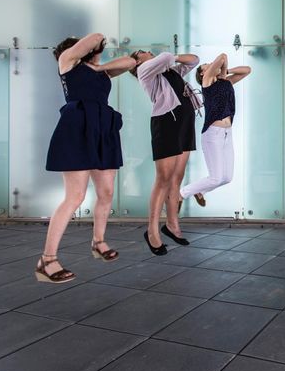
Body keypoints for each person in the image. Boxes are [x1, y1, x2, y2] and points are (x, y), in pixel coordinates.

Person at [37, 33, 136, 283]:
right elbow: (97, 36)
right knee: (75, 197)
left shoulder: (101, 71)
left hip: (103, 128)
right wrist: (88, 55)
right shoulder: (67, 61)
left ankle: (98, 242)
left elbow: (130, 62)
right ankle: (46, 260)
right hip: (78, 127)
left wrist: (99, 67)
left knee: (107, 193)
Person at [130, 49, 201, 254]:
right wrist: (167, 59)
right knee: (164, 178)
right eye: (142, 52)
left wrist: (173, 60)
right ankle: (152, 231)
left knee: (177, 178)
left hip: (185, 122)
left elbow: (194, 60)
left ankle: (172, 225)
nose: (148, 52)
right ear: (137, 63)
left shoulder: (171, 71)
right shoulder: (145, 71)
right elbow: (167, 57)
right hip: (167, 123)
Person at [179, 53, 251, 208]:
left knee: (227, 177)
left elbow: (247, 70)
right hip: (213, 134)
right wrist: (220, 68)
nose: (211, 64)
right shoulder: (207, 82)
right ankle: (181, 194)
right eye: (207, 65)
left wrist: (225, 72)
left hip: (227, 134)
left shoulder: (226, 82)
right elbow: (223, 56)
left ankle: (201, 192)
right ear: (203, 73)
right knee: (216, 177)